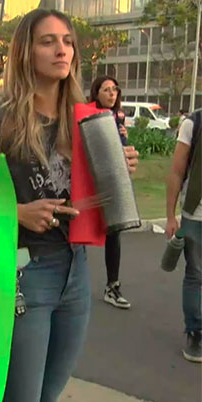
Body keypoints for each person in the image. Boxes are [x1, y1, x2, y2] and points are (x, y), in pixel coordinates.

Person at [0, 10, 138, 402]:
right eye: (48, 41)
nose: (62, 50)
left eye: (68, 41)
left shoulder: (88, 118)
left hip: (76, 269)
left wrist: (120, 168)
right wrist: (16, 212)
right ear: (25, 51)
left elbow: (94, 195)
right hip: (24, 274)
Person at [89, 75, 130, 309]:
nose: (112, 93)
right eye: (106, 89)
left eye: (115, 89)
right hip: (88, 187)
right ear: (97, 94)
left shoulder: (118, 119)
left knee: (114, 233)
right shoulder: (88, 116)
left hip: (111, 183)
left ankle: (112, 286)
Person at [165, 107, 202, 363]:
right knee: (195, 274)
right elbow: (177, 171)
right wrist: (170, 216)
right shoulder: (194, 122)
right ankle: (196, 332)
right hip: (196, 214)